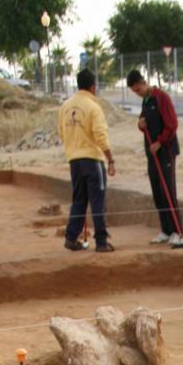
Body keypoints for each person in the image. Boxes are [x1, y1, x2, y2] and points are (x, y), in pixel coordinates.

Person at [57, 68, 115, 253]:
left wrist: (73, 149)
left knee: (79, 200)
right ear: (93, 86)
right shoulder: (93, 107)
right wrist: (110, 159)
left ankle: (71, 237)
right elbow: (100, 135)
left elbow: (62, 133)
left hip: (74, 160)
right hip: (92, 159)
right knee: (98, 200)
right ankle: (101, 242)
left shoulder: (65, 107)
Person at [126, 69, 183, 246]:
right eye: (134, 91)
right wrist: (139, 125)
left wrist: (160, 142)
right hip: (152, 155)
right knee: (157, 193)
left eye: (138, 89)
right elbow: (144, 122)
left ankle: (177, 231)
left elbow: (172, 124)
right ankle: (166, 230)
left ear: (143, 82)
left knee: (168, 192)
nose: (137, 93)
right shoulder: (146, 100)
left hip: (166, 152)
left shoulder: (161, 97)